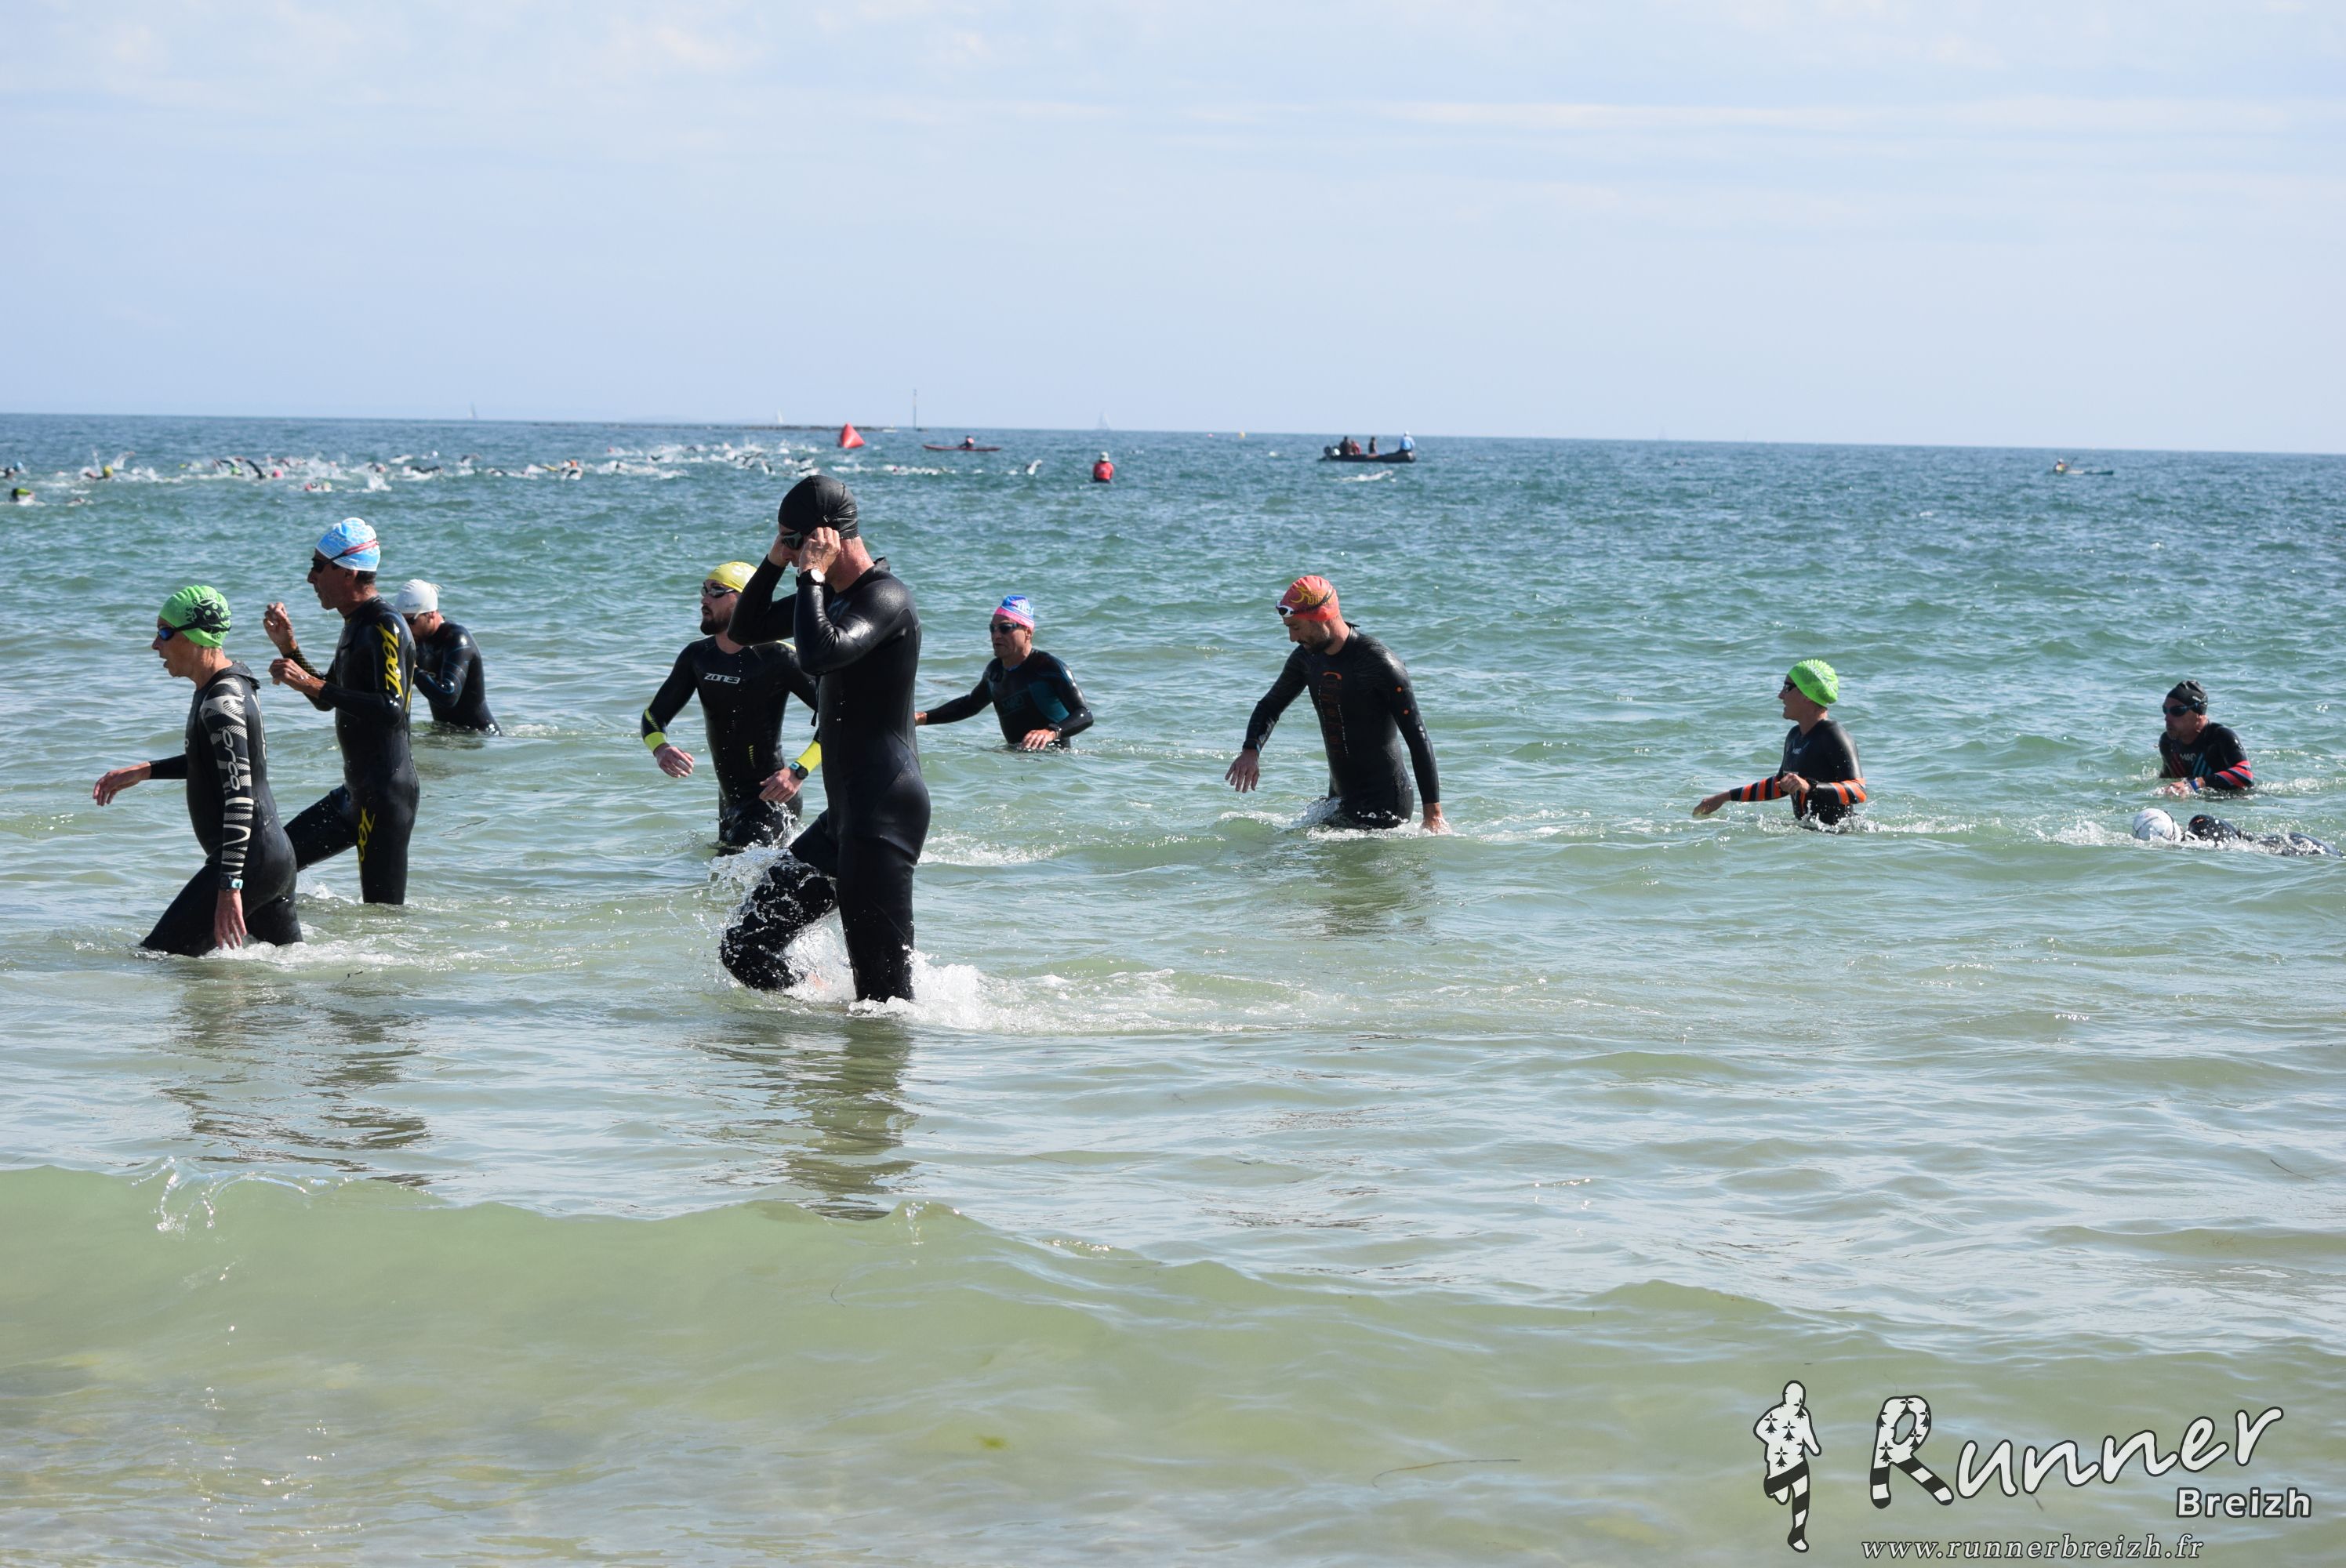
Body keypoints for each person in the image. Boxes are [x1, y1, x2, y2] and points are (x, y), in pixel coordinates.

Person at [720, 476, 930, 1003]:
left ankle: (884, 1057)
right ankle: (817, 1016)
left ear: (827, 536)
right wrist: (774, 562)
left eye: (795, 541)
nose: (792, 554)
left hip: (883, 815)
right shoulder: (826, 598)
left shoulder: (885, 597)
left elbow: (818, 655)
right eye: (785, 542)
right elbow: (743, 630)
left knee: (883, 1002)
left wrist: (811, 575)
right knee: (746, 946)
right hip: (843, 820)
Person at [93, 587, 301, 955]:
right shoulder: (228, 685)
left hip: (249, 861)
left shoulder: (221, 701)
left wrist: (229, 885)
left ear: (195, 636)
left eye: (164, 632)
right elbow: (216, 762)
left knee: (158, 957)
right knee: (285, 968)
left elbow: (240, 797)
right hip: (269, 857)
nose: (155, 645)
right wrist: (145, 771)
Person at [263, 517, 419, 904]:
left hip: (385, 798)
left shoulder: (385, 624)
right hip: (354, 795)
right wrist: (289, 648)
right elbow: (326, 698)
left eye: (318, 566)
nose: (310, 577)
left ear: (348, 572)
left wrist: (312, 684)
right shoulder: (355, 623)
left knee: (383, 918)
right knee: (269, 866)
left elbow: (390, 708)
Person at [1226, 575, 1447, 833]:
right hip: (1339, 800)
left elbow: (1417, 737)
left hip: (1385, 805)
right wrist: (1251, 750)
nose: (1292, 637)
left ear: (1322, 616)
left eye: (1296, 627)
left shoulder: (1380, 664)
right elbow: (1270, 706)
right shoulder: (1306, 659)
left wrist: (1433, 814)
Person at [641, 560, 821, 851]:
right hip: (729, 802)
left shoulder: (779, 657)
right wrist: (660, 748)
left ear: (745, 600)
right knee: (728, 874)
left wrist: (799, 770)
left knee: (735, 872)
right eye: (704, 590)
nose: (704, 598)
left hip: (771, 801)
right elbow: (653, 717)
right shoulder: (698, 656)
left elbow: (841, 716)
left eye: (716, 590)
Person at [1693, 660, 1867, 827]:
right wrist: (1724, 797)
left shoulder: (1834, 735)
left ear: (1807, 695)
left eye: (1787, 688)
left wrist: (1809, 787)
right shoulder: (1794, 736)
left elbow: (1858, 791)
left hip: (1838, 837)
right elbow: (1779, 786)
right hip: (1810, 833)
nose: (1781, 695)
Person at [916, 596, 1094, 750]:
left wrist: (1051, 732)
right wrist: (922, 718)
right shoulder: (994, 672)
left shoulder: (1048, 667)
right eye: (992, 629)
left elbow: (1084, 714)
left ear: (1028, 632)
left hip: (1053, 761)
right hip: (1014, 759)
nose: (996, 635)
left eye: (1005, 628)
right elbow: (969, 706)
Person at [391, 579, 499, 733]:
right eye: (402, 622)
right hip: (446, 734)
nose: (406, 628)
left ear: (431, 614)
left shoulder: (457, 639)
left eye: (410, 621)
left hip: (478, 735)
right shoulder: (418, 640)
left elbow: (448, 696)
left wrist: (413, 670)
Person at [2155, 680, 2251, 796]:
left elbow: (2245, 775)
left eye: (2177, 711)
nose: (2167, 718)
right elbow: (2167, 781)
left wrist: (2195, 784)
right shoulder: (2168, 742)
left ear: (2199, 713)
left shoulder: (2221, 736)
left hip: (2233, 801)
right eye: (2165, 710)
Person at [2132, 808, 2335, 858]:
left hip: (2292, 846)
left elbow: (2237, 849)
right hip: (2294, 846)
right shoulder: (2200, 824)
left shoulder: (2199, 831)